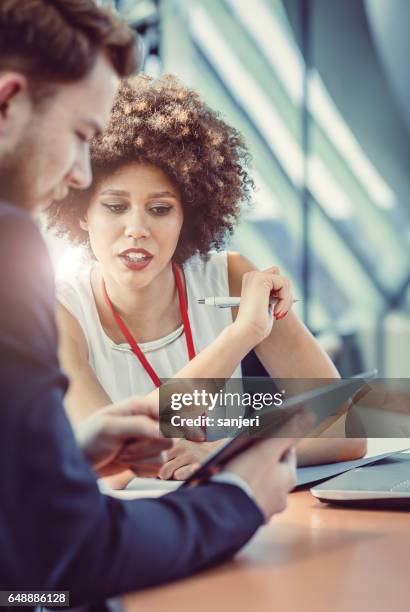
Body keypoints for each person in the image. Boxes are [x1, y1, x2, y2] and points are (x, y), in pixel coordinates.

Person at [0, 1, 304, 606]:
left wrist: (71, 461)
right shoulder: (29, 270)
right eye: (81, 136)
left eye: (160, 208)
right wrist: (237, 498)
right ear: (7, 102)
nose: (82, 173)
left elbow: (346, 415)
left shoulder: (226, 274)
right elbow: (73, 552)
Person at [46, 75, 367, 484]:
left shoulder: (231, 276)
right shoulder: (59, 311)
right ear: (81, 212)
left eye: (160, 209)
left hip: (232, 519)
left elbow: (347, 426)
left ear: (189, 215)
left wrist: (221, 451)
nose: (137, 228)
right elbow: (108, 466)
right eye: (114, 206)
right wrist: (241, 335)